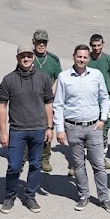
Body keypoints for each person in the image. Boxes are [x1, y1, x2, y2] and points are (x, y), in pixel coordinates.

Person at [54, 44, 110, 212]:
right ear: (73, 56)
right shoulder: (64, 77)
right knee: (78, 165)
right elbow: (58, 104)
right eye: (79, 56)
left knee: (99, 165)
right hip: (73, 127)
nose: (81, 60)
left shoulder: (96, 75)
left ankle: (104, 198)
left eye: (85, 57)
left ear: (88, 58)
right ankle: (83, 196)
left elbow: (105, 98)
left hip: (94, 127)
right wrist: (60, 129)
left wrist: (103, 119)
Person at [0, 44, 54, 213]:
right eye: (23, 56)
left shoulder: (43, 78)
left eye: (29, 55)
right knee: (14, 166)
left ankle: (30, 197)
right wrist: (3, 132)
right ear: (17, 58)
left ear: (33, 57)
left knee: (35, 165)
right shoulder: (8, 80)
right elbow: (2, 107)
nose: (26, 58)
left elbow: (49, 104)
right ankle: (10, 197)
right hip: (17, 130)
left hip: (39, 129)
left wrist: (50, 127)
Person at [31, 29, 62, 174]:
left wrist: (51, 91)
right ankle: (29, 154)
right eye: (39, 42)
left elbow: (59, 78)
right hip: (31, 99)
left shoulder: (53, 60)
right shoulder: (28, 57)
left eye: (44, 42)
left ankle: (44, 158)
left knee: (47, 127)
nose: (41, 44)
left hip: (48, 100)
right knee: (29, 126)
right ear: (34, 42)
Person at [87, 34, 110, 169]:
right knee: (86, 126)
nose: (96, 48)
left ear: (103, 44)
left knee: (104, 126)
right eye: (94, 45)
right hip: (88, 98)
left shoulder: (109, 60)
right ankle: (83, 157)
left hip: (104, 98)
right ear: (90, 45)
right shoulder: (86, 59)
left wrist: (104, 88)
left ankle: (102, 156)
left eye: (99, 45)